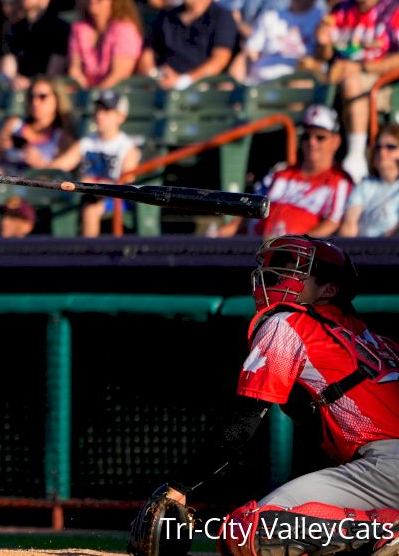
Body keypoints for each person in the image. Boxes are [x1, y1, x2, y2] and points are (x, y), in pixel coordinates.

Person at [134, 235, 399, 556]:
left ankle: (385, 529)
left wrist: (180, 486)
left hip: (387, 463)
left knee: (247, 530)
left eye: (296, 270)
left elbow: (245, 418)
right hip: (381, 468)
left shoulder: (290, 321)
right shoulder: (377, 340)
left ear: (329, 289)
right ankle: (385, 526)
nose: (277, 276)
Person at [314, 0, 399, 183]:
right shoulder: (341, 9)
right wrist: (323, 43)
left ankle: (356, 157)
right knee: (299, 82)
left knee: (352, 81)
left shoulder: (393, 11)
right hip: (335, 76)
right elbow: (322, 56)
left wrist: (362, 66)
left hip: (380, 81)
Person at [219, 105, 353, 238]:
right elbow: (247, 214)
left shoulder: (340, 181)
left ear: (336, 141)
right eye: (306, 136)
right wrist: (216, 236)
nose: (312, 142)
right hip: (254, 247)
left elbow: (332, 224)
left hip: (298, 254)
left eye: (320, 137)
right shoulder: (280, 172)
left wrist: (292, 244)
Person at [49, 90, 141, 237]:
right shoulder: (86, 143)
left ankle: (89, 255)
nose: (99, 115)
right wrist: (39, 165)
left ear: (121, 117)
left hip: (115, 199)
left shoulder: (127, 147)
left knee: (91, 210)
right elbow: (60, 165)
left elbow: (127, 182)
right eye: (98, 110)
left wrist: (93, 185)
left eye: (106, 111)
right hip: (88, 195)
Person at [139, 0, 237, 90]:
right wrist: (153, 77)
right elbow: (148, 53)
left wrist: (183, 81)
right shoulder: (167, 16)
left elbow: (220, 59)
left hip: (201, 92)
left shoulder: (222, 17)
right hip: (162, 87)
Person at [238, 0, 325, 84]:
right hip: (260, 83)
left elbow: (322, 59)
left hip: (297, 83)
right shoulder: (271, 16)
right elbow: (250, 52)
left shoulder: (322, 20)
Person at [0, 77, 76, 171]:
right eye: (31, 97)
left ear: (57, 99)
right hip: (3, 178)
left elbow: (61, 176)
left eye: (42, 96)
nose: (35, 102)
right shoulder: (14, 124)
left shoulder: (62, 137)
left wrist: (40, 164)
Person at [68, 0, 143, 89]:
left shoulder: (125, 30)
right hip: (86, 92)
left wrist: (94, 96)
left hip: (115, 92)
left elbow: (119, 74)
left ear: (114, 1)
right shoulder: (80, 29)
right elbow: (75, 69)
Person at [1, 0, 71, 87]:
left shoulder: (59, 28)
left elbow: (54, 72)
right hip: (16, 90)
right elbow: (8, 68)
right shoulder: (13, 28)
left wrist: (31, 84)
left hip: (45, 91)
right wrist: (14, 80)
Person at [339, 123, 399, 237]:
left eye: (390, 147)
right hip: (362, 249)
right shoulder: (364, 185)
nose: (382, 152)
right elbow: (349, 224)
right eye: (378, 147)